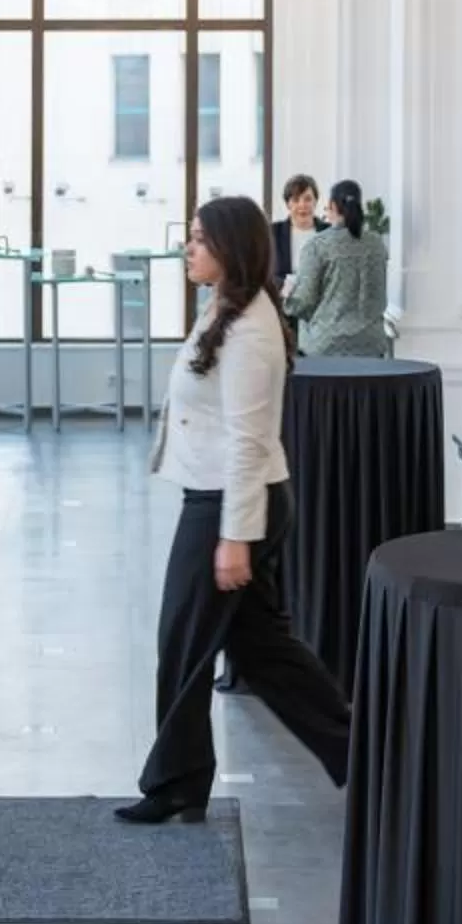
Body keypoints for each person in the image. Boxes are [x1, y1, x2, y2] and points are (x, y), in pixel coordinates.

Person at [117, 197, 353, 822]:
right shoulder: (227, 306)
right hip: (225, 497)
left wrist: (234, 537)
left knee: (184, 641)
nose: (188, 249)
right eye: (189, 237)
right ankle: (361, 756)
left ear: (231, 246)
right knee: (263, 652)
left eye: (199, 239)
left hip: (232, 501)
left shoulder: (251, 328)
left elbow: (250, 440)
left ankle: (174, 783)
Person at [285, 179, 389, 357]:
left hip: (326, 347)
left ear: (332, 206)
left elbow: (303, 303)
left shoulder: (317, 245)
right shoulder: (377, 244)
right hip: (372, 345)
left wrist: (287, 296)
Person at [272, 172, 322, 285]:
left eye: (308, 199)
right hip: (284, 298)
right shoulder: (273, 232)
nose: (302, 205)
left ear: (315, 202)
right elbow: (264, 273)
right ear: (288, 204)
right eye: (296, 200)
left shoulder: (330, 232)